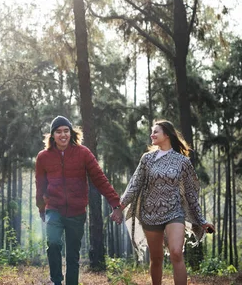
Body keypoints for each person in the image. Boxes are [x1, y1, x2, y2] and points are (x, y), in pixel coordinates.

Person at [112, 119, 215, 285]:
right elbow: (134, 184)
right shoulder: (147, 159)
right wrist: (119, 207)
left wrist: (201, 220)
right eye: (152, 132)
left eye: (155, 131)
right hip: (150, 214)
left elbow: (190, 193)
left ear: (167, 134)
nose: (152, 134)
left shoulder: (182, 161)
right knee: (156, 257)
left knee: (176, 252)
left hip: (174, 212)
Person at [35, 115, 124, 285]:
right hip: (53, 209)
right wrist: (41, 209)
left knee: (72, 256)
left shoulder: (83, 153)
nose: (63, 135)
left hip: (77, 212)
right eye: (59, 131)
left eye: (66, 131)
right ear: (52, 135)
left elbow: (99, 179)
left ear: (71, 133)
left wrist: (115, 204)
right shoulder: (43, 157)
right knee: (53, 243)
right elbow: (40, 185)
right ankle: (56, 281)